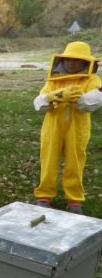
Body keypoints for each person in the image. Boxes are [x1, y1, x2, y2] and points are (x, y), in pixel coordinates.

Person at [33, 41, 102, 213]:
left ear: (86, 62)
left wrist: (79, 99)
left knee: (75, 163)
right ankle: (44, 195)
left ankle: (74, 199)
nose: (72, 63)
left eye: (77, 60)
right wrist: (55, 96)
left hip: (77, 129)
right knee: (48, 161)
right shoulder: (54, 80)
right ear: (63, 60)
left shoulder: (92, 80)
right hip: (52, 128)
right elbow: (38, 104)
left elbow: (92, 103)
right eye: (69, 60)